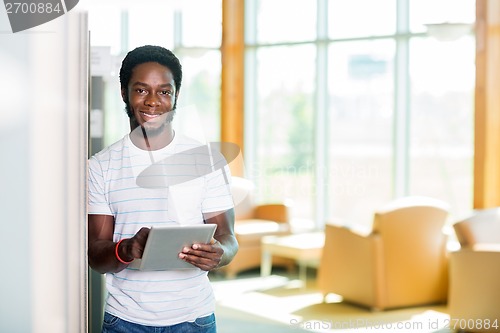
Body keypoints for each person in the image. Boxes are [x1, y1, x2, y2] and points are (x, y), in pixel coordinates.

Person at [88, 45, 238, 333]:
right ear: (124, 92)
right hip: (125, 321)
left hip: (195, 318)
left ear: (176, 96)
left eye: (164, 91)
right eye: (141, 90)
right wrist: (126, 248)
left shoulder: (206, 159)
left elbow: (228, 237)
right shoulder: (100, 166)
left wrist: (220, 253)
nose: (153, 102)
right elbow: (96, 254)